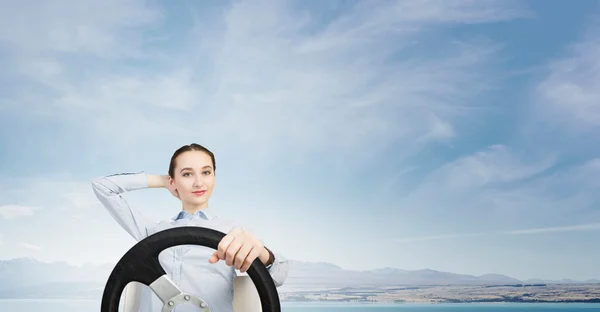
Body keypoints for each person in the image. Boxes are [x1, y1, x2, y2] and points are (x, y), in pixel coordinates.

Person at [91, 143, 289, 312]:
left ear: (214, 177)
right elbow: (102, 187)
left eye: (206, 172)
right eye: (187, 174)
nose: (198, 182)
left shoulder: (233, 230)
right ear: (173, 181)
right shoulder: (152, 232)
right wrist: (162, 181)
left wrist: (262, 254)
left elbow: (279, 275)